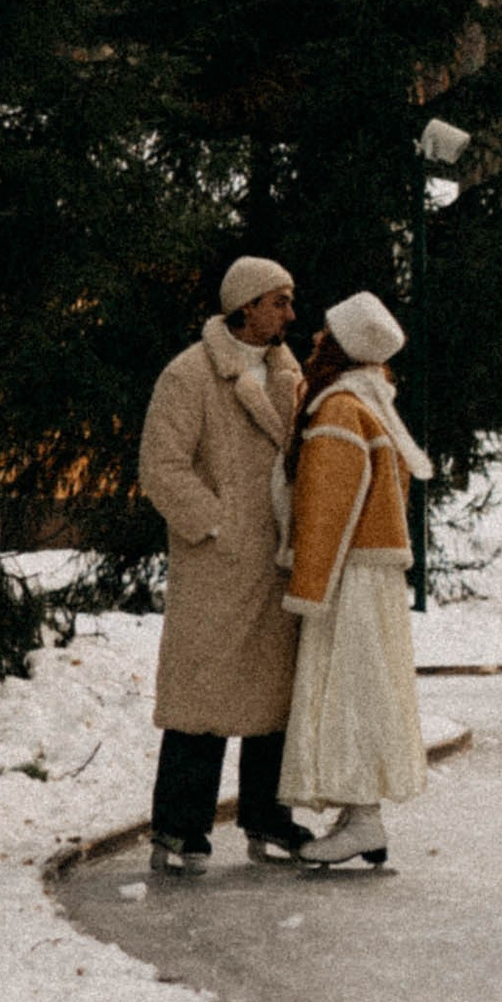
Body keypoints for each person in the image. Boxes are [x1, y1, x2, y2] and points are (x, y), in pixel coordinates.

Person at [137, 257, 317, 874]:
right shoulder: (191, 375)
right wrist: (216, 524)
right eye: (279, 301)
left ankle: (268, 816)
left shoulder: (288, 374)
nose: (291, 314)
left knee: (273, 696)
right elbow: (161, 467)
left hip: (276, 564)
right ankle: (179, 827)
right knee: (203, 697)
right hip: (217, 567)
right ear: (245, 306)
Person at [280, 290, 432, 869]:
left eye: (326, 334)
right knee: (368, 685)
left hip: (350, 573)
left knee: (347, 689)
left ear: (340, 347)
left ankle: (362, 816)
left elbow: (328, 503)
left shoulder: (341, 408)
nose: (316, 339)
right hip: (372, 570)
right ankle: (358, 813)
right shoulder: (373, 400)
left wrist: (308, 581)